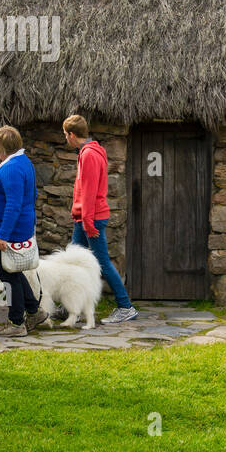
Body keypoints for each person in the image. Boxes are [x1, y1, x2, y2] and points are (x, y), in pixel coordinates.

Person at [64, 114, 138, 323]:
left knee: (102, 263)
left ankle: (125, 307)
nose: (65, 140)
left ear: (71, 134)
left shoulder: (89, 155)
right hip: (84, 217)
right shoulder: (92, 151)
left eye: (65, 136)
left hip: (91, 219)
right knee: (73, 262)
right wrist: (77, 213)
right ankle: (72, 308)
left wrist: (86, 222)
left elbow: (89, 191)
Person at [0, 124, 47, 337]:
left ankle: (16, 323)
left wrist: (3, 236)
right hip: (18, 228)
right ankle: (35, 313)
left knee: (7, 275)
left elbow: (13, 204)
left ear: (1, 148)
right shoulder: (22, 162)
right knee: (14, 272)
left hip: (12, 231)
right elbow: (32, 195)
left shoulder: (11, 168)